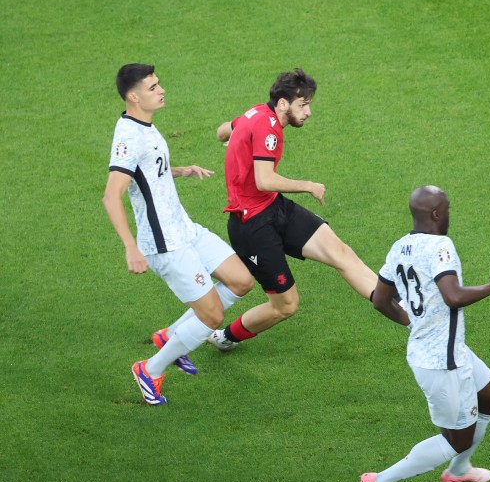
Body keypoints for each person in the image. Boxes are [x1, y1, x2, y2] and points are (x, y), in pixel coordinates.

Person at [102, 64, 253, 405]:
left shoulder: (146, 127)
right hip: (164, 244)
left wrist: (180, 170)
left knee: (241, 280)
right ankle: (150, 369)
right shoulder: (128, 137)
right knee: (212, 316)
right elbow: (112, 196)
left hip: (185, 229)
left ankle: (171, 335)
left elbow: (149, 169)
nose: (162, 90)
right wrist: (130, 248)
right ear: (133, 96)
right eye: (153, 86)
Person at [205, 68, 379, 351]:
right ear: (283, 104)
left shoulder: (257, 113)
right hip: (252, 227)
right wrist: (309, 185)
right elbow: (264, 180)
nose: (308, 112)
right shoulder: (267, 127)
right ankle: (226, 336)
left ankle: (393, 302)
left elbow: (222, 130)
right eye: (303, 104)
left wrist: (234, 138)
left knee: (341, 252)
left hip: (274, 207)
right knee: (285, 306)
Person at [360, 185, 490, 482]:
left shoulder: (400, 247)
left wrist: (412, 322)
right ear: (437, 214)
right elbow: (452, 296)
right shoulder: (441, 246)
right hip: (442, 364)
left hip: (450, 349)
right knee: (456, 439)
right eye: (448, 208)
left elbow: (380, 300)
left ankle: (458, 471)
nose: (450, 213)